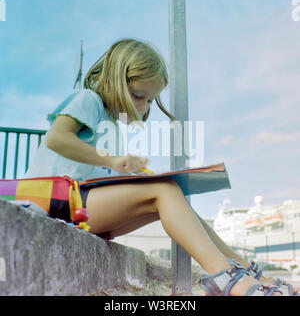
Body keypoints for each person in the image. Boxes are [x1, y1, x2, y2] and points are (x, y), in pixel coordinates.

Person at [25, 38, 298, 296]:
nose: (144, 107)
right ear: (114, 80)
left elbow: (94, 174)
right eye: (138, 95)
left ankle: (243, 269)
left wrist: (132, 177)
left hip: (81, 208)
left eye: (150, 100)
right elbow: (57, 138)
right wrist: (110, 160)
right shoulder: (88, 100)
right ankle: (223, 277)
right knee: (165, 190)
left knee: (175, 199)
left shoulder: (111, 123)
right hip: (55, 203)